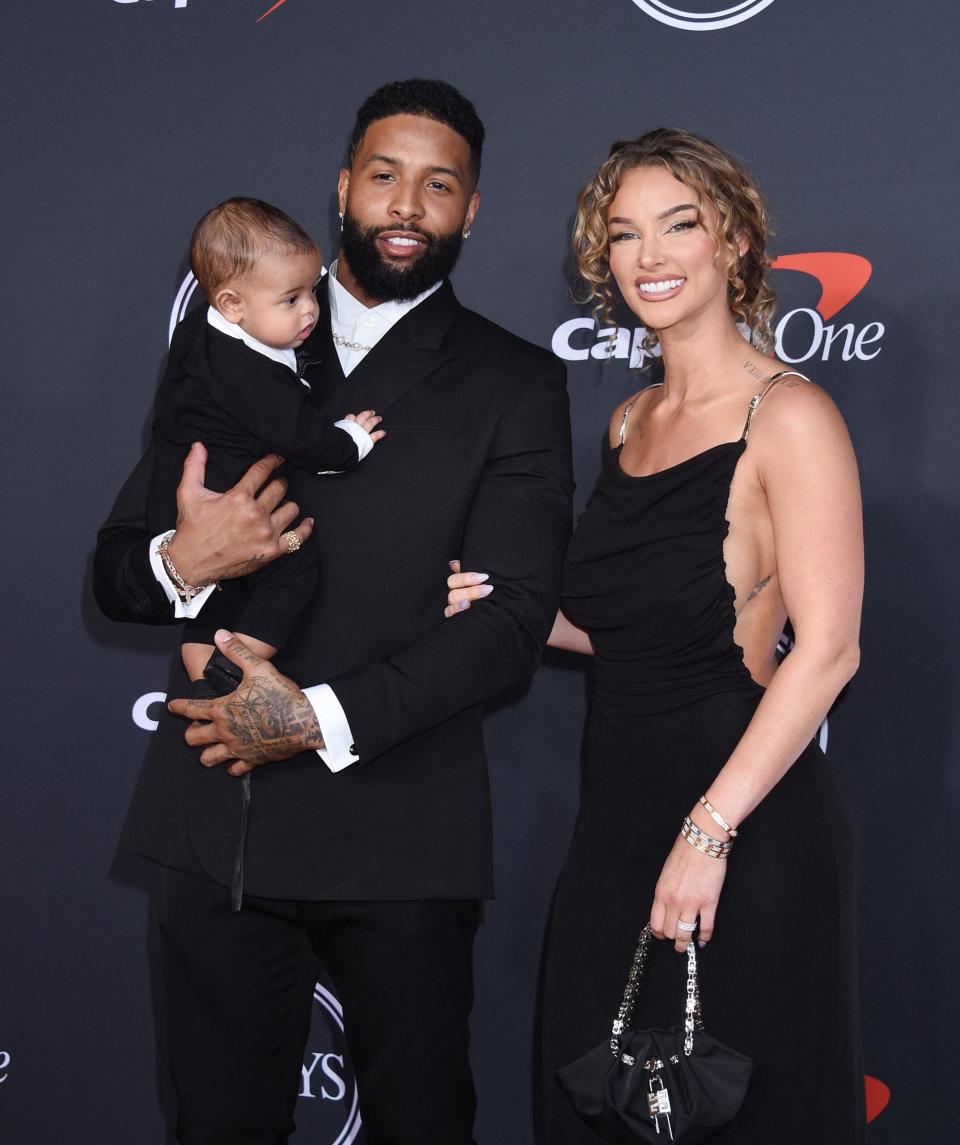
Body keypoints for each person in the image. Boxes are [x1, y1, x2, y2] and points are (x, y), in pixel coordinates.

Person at [93, 79, 573, 1145]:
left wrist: (315, 717)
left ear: (472, 210)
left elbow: (509, 623)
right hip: (218, 826)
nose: (409, 204)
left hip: (402, 825)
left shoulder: (516, 381)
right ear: (345, 185)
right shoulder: (224, 347)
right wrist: (184, 557)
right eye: (387, 175)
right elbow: (114, 575)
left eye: (439, 185)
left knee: (422, 1121)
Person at [446, 129, 865, 1143]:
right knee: (600, 1108)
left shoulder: (791, 415)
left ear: (734, 239)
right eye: (624, 234)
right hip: (614, 825)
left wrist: (707, 831)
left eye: (678, 223)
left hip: (743, 830)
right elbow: (637, 630)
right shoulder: (630, 419)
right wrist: (510, 606)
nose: (650, 256)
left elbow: (828, 650)